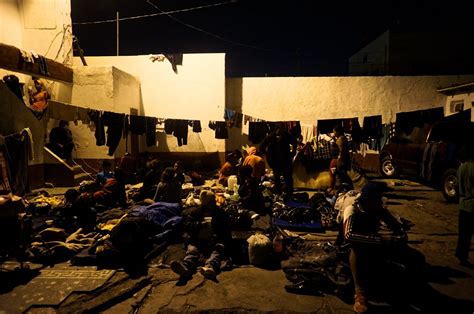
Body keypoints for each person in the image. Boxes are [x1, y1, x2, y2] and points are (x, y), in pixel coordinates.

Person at [339, 181, 406, 313]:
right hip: (349, 246)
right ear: (367, 198)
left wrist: (400, 235)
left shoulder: (377, 209)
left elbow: (395, 226)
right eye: (378, 198)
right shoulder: (352, 209)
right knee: (357, 250)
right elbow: (349, 235)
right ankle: (359, 294)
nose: (380, 202)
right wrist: (381, 240)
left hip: (372, 243)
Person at [170, 190, 231, 280]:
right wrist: (199, 225)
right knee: (192, 249)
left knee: (218, 250)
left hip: (215, 239)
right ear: (205, 204)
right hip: (199, 239)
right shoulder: (196, 213)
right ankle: (186, 266)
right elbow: (188, 226)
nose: (214, 203)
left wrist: (216, 231)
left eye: (214, 201)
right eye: (211, 202)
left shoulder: (220, 212)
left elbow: (226, 228)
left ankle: (210, 267)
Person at [259, 122, 297, 196]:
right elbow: (261, 147)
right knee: (277, 178)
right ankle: (278, 193)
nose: (280, 130)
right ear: (276, 128)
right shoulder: (271, 137)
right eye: (279, 128)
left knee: (287, 177)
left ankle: (289, 193)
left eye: (282, 128)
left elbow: (294, 141)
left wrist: (293, 152)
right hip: (275, 161)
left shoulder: (286, 136)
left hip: (286, 160)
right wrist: (267, 154)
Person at [455, 144, 474, 267]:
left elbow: (456, 186)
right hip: (472, 205)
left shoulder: (461, 169)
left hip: (463, 205)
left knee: (464, 234)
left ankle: (461, 256)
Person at [333, 125, 353, 190]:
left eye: (334, 132)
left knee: (342, 175)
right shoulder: (342, 138)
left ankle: (347, 188)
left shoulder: (341, 139)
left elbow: (341, 151)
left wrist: (339, 160)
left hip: (342, 160)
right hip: (344, 159)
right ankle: (348, 187)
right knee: (343, 175)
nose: (334, 133)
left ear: (338, 132)